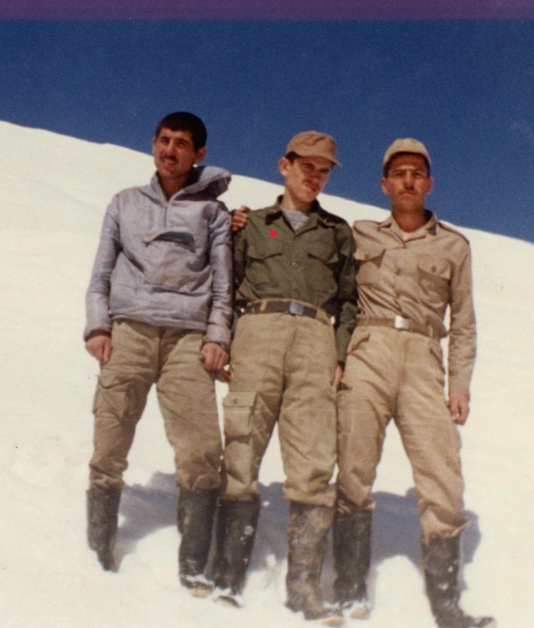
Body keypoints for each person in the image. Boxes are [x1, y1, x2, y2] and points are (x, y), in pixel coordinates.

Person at [333, 139, 494, 628]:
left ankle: (447, 606)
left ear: (429, 184)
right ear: (384, 184)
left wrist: (459, 384)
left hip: (424, 359)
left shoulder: (454, 246)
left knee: (442, 476)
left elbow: (463, 322)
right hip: (369, 350)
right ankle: (348, 590)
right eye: (399, 173)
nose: (408, 180)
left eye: (417, 173)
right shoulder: (359, 233)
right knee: (354, 465)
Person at [83, 112, 232, 595]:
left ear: (199, 154)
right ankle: (98, 550)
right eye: (164, 140)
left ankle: (194, 564)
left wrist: (217, 337)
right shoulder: (125, 202)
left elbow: (224, 285)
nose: (170, 150)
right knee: (110, 439)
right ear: (153, 144)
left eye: (182, 143)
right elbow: (101, 272)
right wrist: (98, 326)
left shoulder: (213, 213)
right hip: (130, 330)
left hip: (188, 337)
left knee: (201, 449)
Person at [214, 131, 356, 623]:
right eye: (306, 166)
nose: (314, 176)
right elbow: (225, 285)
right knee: (241, 449)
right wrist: (223, 338)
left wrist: (340, 353)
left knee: (314, 463)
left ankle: (304, 589)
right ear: (284, 166)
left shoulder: (338, 232)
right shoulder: (250, 223)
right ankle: (227, 576)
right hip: (258, 331)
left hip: (316, 338)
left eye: (324, 170)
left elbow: (349, 301)